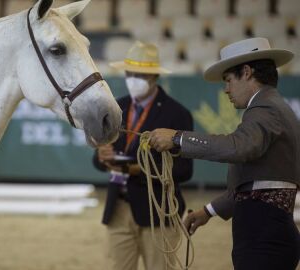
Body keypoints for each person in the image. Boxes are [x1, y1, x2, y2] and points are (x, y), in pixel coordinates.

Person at [148, 37, 300, 270]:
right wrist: (208, 211)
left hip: (263, 235)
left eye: (228, 80)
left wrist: (178, 138)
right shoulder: (274, 106)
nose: (226, 89)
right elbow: (257, 184)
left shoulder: (265, 107)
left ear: (247, 72)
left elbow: (239, 147)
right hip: (269, 231)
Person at [92, 41, 193, 270]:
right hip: (117, 208)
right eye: (130, 73)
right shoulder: (117, 107)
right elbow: (99, 161)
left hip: (158, 212)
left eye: (141, 74)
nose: (133, 79)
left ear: (154, 77)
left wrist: (143, 169)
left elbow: (185, 170)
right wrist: (101, 156)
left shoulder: (177, 114)